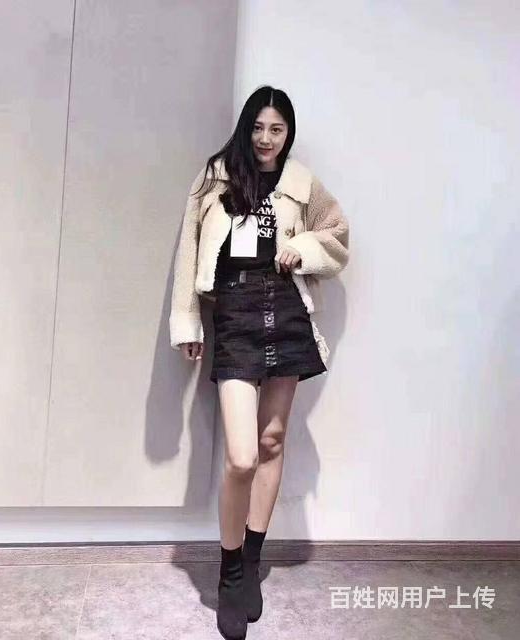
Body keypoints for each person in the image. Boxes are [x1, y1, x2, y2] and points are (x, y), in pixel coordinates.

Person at [169, 85, 350, 639]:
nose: (266, 139)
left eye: (277, 129)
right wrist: (188, 322)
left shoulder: (301, 183)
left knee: (272, 441)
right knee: (242, 456)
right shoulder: (216, 177)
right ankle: (229, 573)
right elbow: (189, 249)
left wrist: (306, 249)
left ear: (288, 133)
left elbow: (338, 234)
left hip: (286, 309)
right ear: (245, 127)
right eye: (258, 127)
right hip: (235, 314)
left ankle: (250, 563)